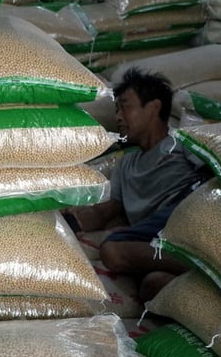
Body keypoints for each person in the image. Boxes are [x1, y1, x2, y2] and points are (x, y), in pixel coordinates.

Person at [63, 67, 210, 302]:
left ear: (153, 107)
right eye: (117, 109)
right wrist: (64, 222)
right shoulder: (126, 163)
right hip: (157, 238)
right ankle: (205, 275)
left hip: (186, 214)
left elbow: (212, 180)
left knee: (112, 249)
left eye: (126, 106)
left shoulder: (182, 142)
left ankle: (214, 268)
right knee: (152, 285)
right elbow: (106, 211)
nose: (119, 117)